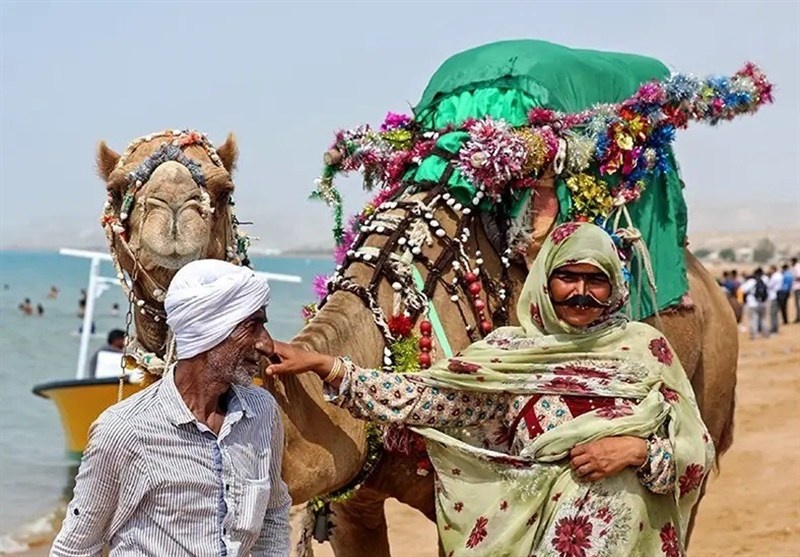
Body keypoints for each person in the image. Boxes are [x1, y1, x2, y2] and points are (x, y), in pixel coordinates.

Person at [267, 223, 713, 557]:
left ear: (613, 286)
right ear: (545, 283)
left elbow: (697, 452)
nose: (581, 293)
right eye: (568, 278)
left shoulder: (646, 349)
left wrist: (637, 451)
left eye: (595, 280)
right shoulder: (508, 354)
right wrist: (329, 367)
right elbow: (425, 398)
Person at [51, 260, 291, 556]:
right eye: (252, 327)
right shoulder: (125, 431)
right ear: (208, 334)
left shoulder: (263, 413)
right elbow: (75, 548)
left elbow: (274, 513)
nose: (267, 344)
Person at [741, 268, 769, 339]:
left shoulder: (751, 281)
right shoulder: (765, 280)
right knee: (762, 319)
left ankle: (755, 335)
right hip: (763, 303)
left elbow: (742, 289)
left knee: (753, 319)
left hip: (752, 303)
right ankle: (766, 333)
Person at [766, 265, 783, 334]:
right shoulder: (780, 275)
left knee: (773, 314)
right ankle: (775, 328)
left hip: (774, 296)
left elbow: (769, 285)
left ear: (773, 269)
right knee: (775, 313)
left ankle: (774, 329)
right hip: (778, 296)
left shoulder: (775, 276)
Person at [792, 257, 800, 323]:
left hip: (797, 287)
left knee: (797, 304)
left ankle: (798, 317)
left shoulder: (797, 267)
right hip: (796, 287)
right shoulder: (796, 267)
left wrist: (794, 279)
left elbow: (798, 276)